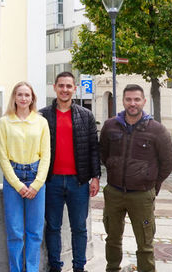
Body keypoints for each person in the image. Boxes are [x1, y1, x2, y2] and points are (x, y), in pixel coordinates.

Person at [99, 84, 172, 272]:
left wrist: (152, 185)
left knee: (145, 244)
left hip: (142, 196)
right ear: (123, 101)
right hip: (114, 193)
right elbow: (103, 155)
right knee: (112, 239)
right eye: (128, 99)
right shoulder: (110, 126)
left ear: (144, 101)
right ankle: (112, 269)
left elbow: (168, 162)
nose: (132, 103)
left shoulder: (157, 130)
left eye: (136, 99)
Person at [39, 72, 101, 272]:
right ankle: (55, 266)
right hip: (52, 181)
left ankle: (79, 267)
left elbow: (94, 148)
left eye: (68, 86)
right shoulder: (42, 116)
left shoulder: (86, 115)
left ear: (75, 88)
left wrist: (95, 177)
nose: (65, 90)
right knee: (53, 227)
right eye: (61, 86)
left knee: (79, 228)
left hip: (79, 182)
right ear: (55, 87)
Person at [0, 82, 51, 272]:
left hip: (36, 177)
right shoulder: (4, 122)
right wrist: (17, 184)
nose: (23, 98)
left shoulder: (41, 121)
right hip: (14, 178)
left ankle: (33, 269)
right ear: (14, 97)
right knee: (15, 232)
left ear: (32, 98)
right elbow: (2, 156)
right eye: (20, 95)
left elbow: (46, 155)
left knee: (35, 232)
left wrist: (37, 184)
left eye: (27, 95)